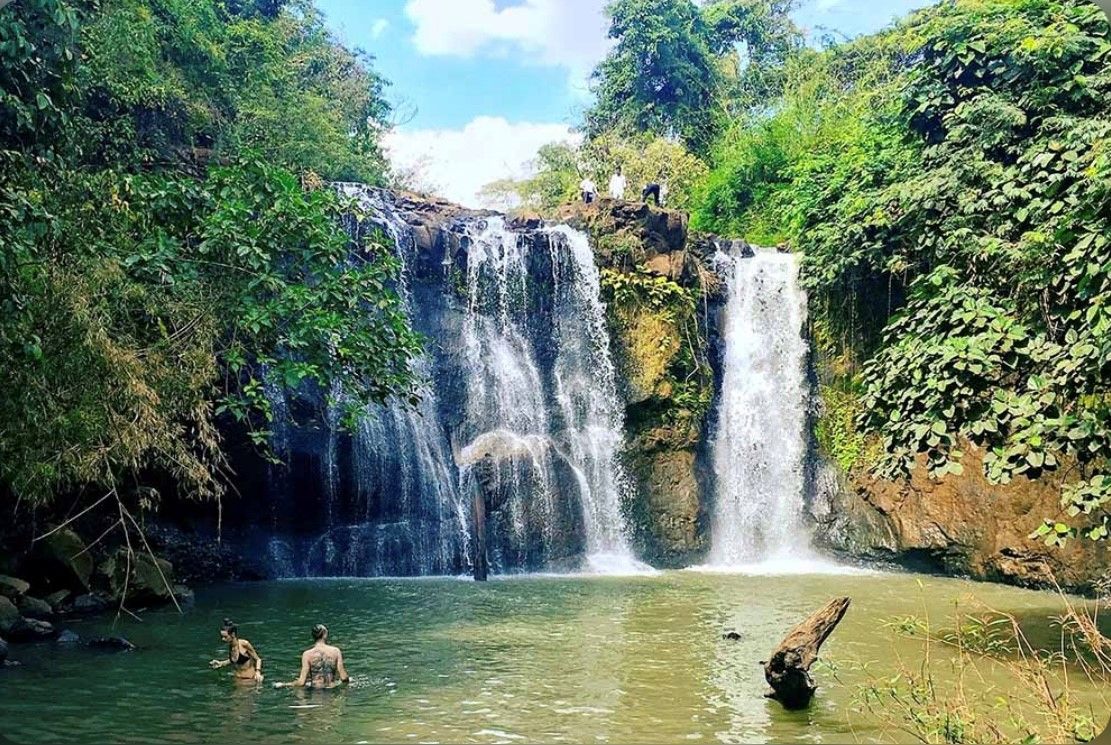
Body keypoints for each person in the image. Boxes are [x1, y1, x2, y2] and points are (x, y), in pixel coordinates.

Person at [274, 624, 350, 690]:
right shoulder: (336, 651)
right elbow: (344, 677)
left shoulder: (307, 654)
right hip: (332, 689)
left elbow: (301, 682)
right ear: (324, 634)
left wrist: (284, 684)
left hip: (316, 690)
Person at [209, 618, 263, 683]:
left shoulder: (244, 644)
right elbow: (235, 659)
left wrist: (258, 672)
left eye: (225, 637)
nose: (223, 639)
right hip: (237, 680)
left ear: (233, 634)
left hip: (249, 680)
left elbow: (258, 659)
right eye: (222, 637)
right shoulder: (230, 646)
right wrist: (221, 663)